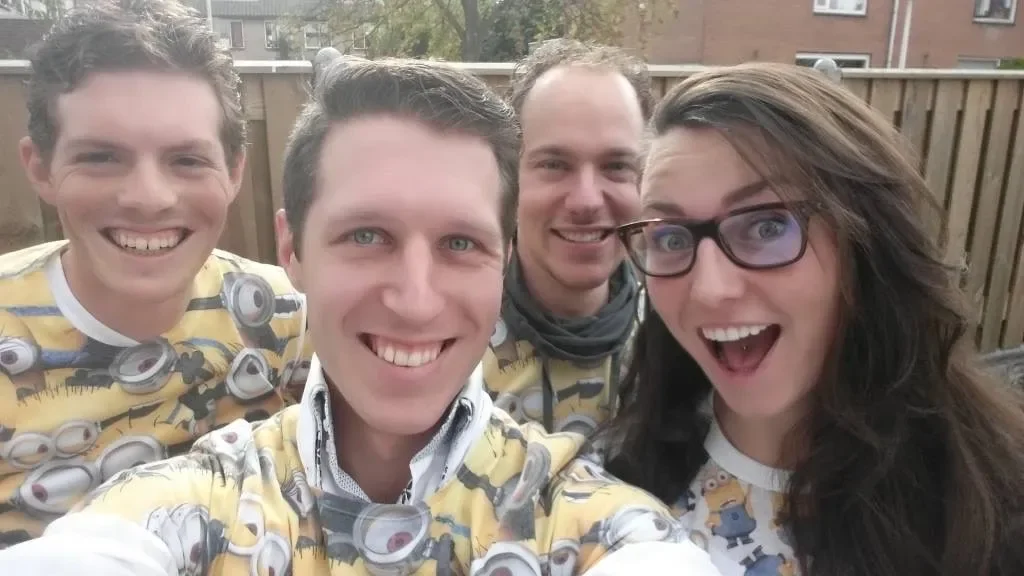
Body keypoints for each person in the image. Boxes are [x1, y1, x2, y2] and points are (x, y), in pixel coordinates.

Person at [0, 54, 723, 576]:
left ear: (502, 258)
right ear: (290, 249)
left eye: (459, 243)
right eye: (367, 236)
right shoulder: (200, 500)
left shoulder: (584, 511)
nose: (414, 298)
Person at [603, 62, 1024, 575]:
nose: (711, 290)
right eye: (670, 238)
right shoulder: (615, 486)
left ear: (863, 242)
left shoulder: (993, 509)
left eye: (765, 225)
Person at [0, 0, 311, 546]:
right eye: (101, 157)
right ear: (41, 169)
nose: (148, 197)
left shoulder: (290, 318)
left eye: (187, 160)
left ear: (234, 171)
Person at [483, 39, 651, 437]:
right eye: (555, 164)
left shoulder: (681, 343)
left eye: (616, 166)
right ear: (509, 177)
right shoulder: (446, 340)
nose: (587, 201)